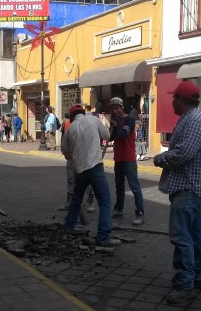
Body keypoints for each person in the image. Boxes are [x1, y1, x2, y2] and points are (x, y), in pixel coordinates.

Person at [153, 81, 201, 304]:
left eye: (174, 98)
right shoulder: (191, 119)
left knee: (181, 236)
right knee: (196, 234)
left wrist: (161, 159)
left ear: (181, 99)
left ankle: (184, 282)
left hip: (188, 187)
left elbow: (183, 153)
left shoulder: (195, 121)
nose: (172, 102)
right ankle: (198, 275)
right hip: (191, 187)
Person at [61, 104, 119, 247]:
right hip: (95, 166)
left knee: (76, 199)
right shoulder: (93, 120)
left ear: (73, 116)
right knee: (105, 202)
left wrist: (73, 156)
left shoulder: (70, 129)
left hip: (80, 169)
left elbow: (65, 152)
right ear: (83, 112)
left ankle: (69, 227)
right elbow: (107, 136)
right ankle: (103, 237)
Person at [108, 97, 145, 226]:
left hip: (129, 159)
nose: (115, 110)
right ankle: (119, 209)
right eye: (113, 109)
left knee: (134, 187)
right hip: (118, 158)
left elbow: (122, 135)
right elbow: (111, 138)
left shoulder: (129, 120)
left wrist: (116, 122)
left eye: (117, 108)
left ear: (122, 107)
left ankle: (140, 212)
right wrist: (112, 126)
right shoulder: (115, 122)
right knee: (119, 186)